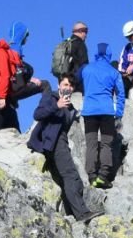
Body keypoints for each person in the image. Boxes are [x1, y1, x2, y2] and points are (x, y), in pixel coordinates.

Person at [27, 75, 100, 222]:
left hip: (61, 142)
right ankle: (82, 214)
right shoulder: (51, 97)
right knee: (71, 176)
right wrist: (57, 105)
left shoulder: (71, 108)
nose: (68, 88)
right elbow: (37, 114)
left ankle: (73, 214)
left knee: (70, 180)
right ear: (59, 85)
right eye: (65, 84)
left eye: (71, 86)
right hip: (53, 142)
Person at [80, 43, 126, 189]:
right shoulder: (113, 72)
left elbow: (78, 82)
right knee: (106, 143)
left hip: (89, 111)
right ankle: (103, 175)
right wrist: (118, 113)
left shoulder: (86, 69)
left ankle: (92, 176)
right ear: (109, 54)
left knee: (91, 143)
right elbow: (121, 94)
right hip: (106, 112)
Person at [53, 22, 90, 92]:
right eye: (85, 32)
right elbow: (84, 65)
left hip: (63, 81)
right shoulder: (80, 44)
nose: (86, 35)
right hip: (75, 84)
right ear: (81, 31)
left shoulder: (66, 43)